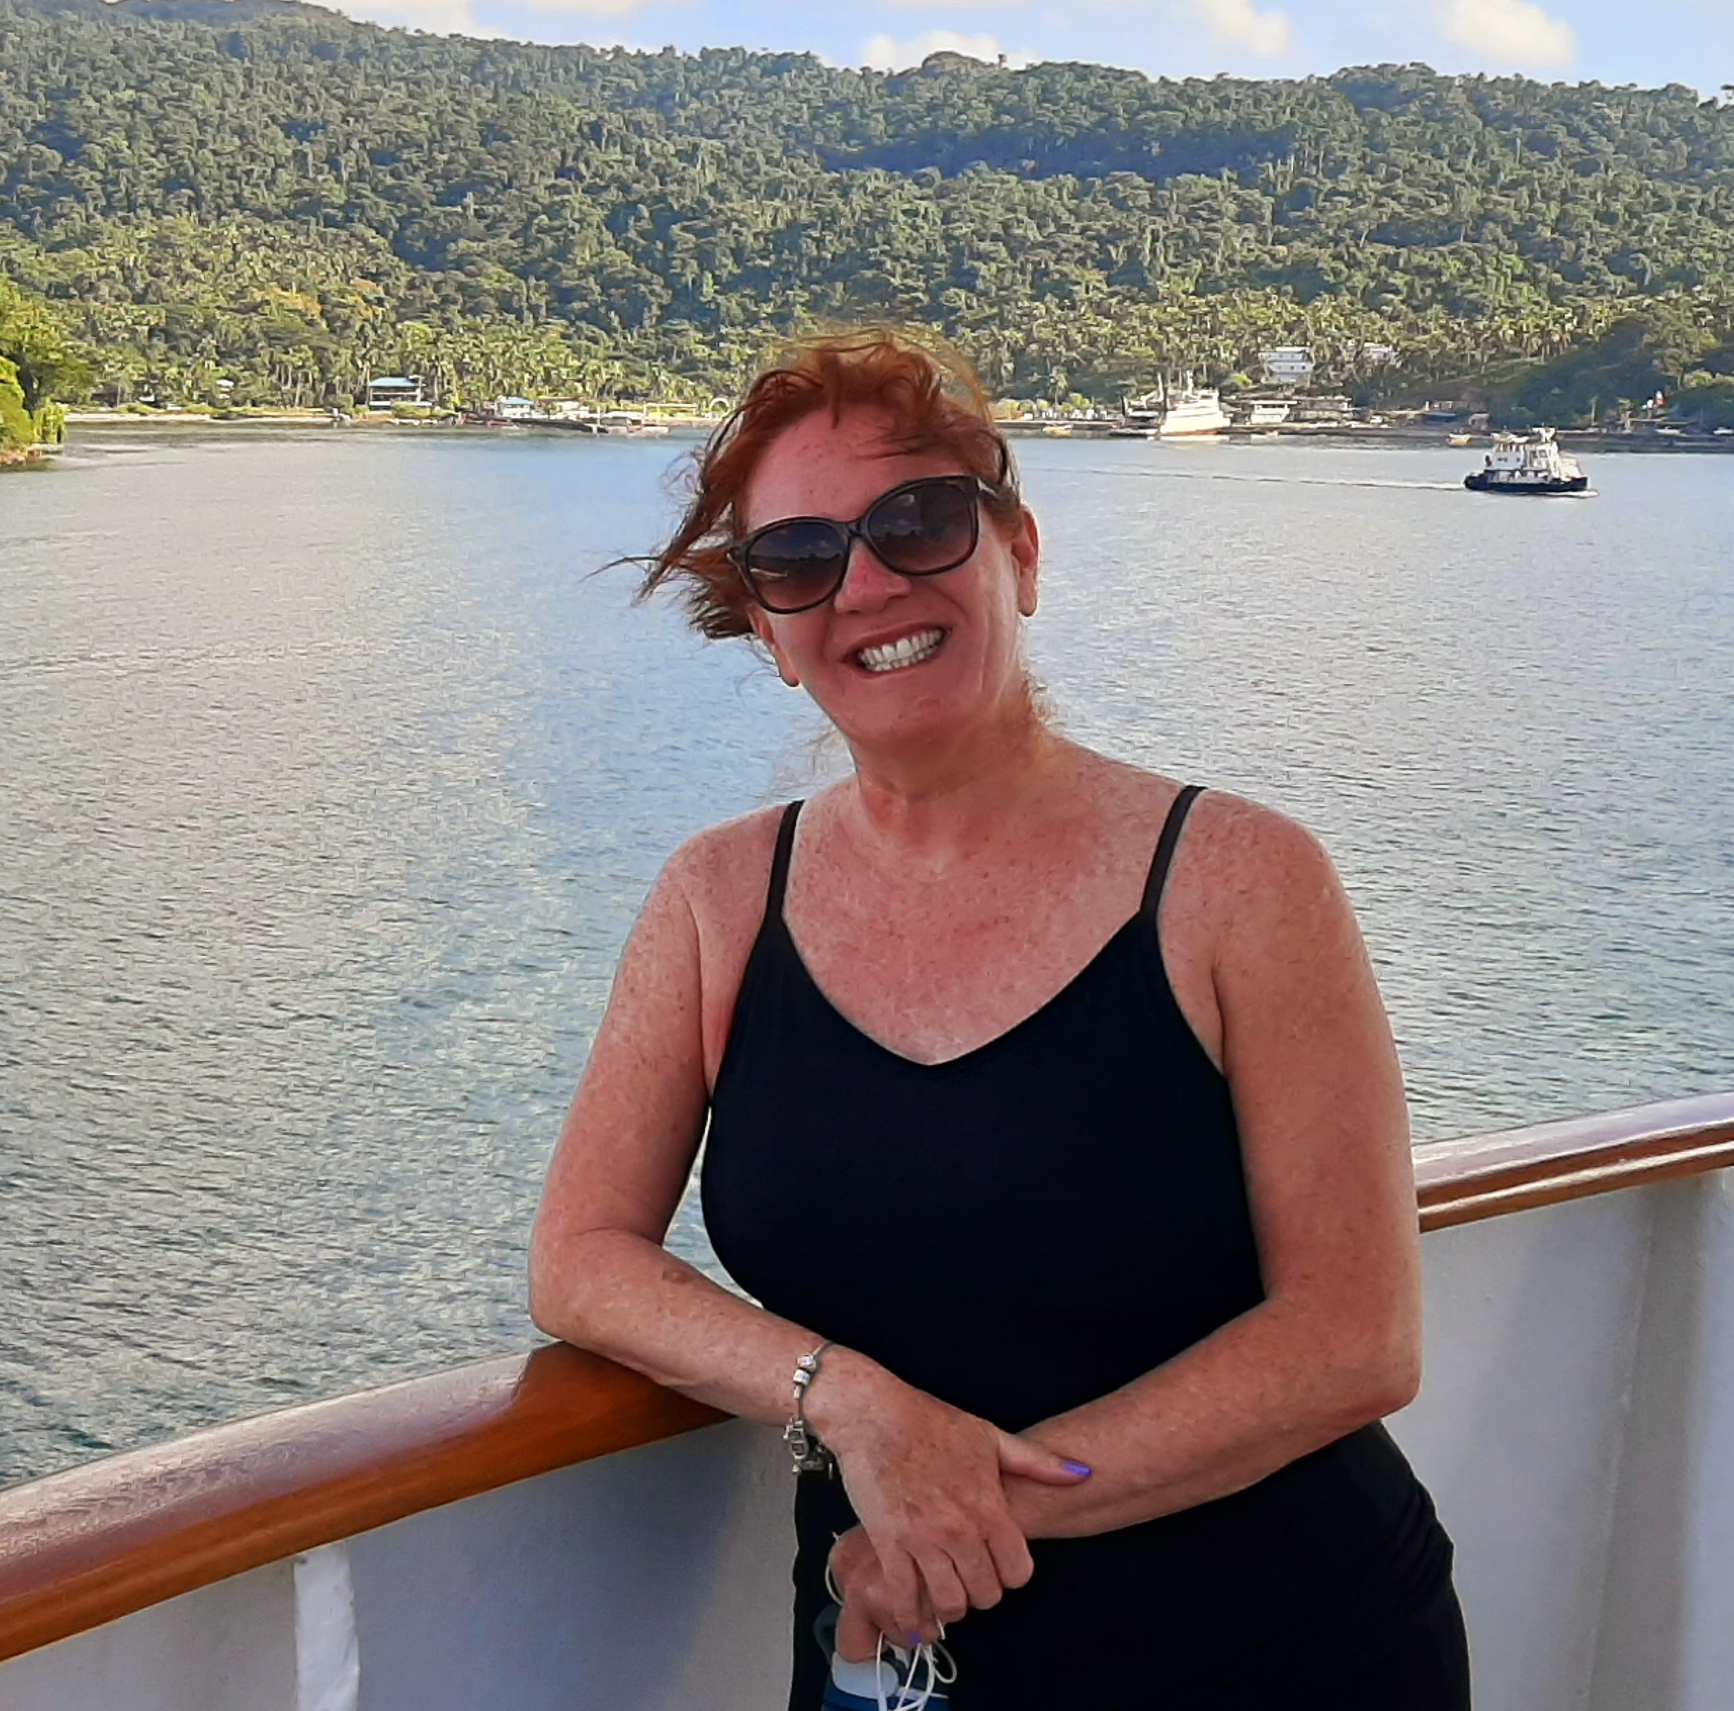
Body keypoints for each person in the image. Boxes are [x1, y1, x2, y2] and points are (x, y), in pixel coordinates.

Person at [525, 328, 1465, 1708]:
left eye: (917, 523)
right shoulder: (717, 901)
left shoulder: (1240, 880)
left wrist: (966, 1509)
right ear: (771, 634)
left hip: (1280, 1652)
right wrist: (849, 1400)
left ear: (1020, 553)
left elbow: (1354, 1334)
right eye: (798, 558)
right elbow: (579, 1259)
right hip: (901, 1652)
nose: (866, 584)